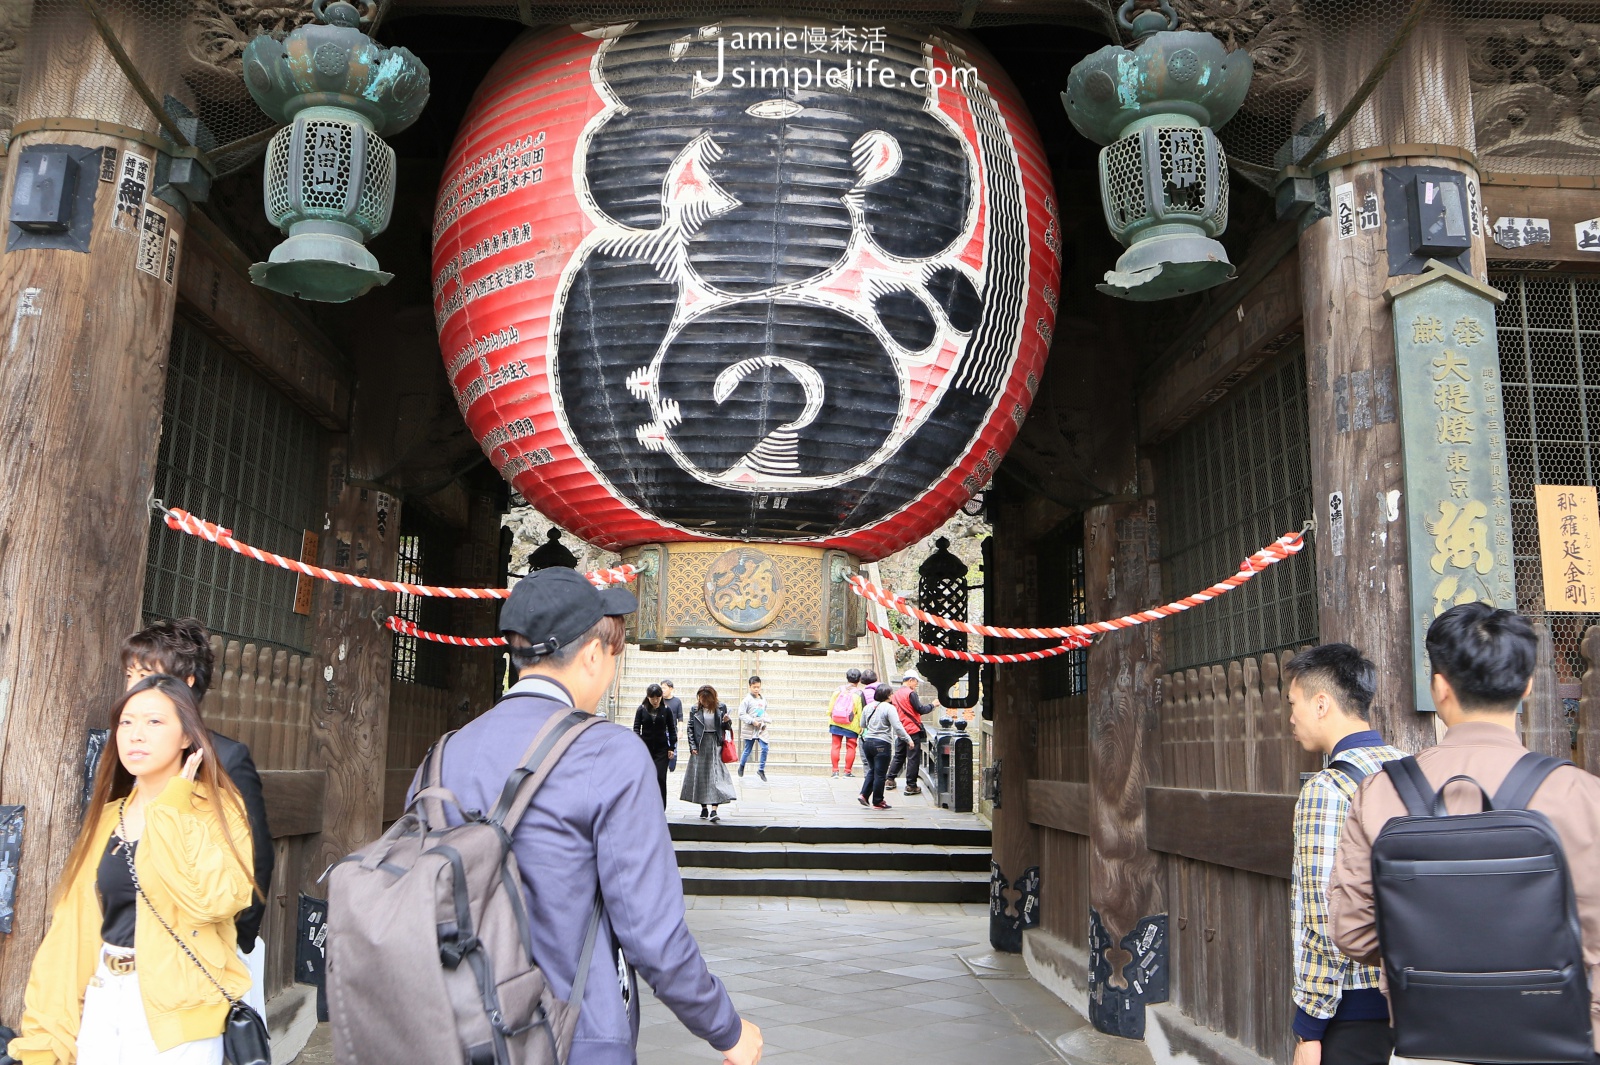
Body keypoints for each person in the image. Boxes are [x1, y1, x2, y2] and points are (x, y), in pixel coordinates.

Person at [414, 567, 762, 1065]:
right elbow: (653, 936)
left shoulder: (442, 755)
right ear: (594, 655)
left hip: (453, 1034)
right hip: (573, 1038)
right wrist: (725, 1027)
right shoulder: (610, 754)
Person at [1329, 604, 1600, 1061]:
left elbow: (1353, 933)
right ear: (1528, 685)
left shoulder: (1381, 792)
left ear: (1439, 686)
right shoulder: (1580, 793)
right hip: (1564, 1039)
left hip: (1430, 1040)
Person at [9, 675, 256, 1065]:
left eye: (154, 722)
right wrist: (45, 1038)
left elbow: (215, 900)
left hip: (180, 1009)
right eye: (126, 722)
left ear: (187, 737)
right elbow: (71, 934)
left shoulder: (217, 811)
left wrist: (174, 806)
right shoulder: (107, 818)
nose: (135, 734)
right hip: (104, 998)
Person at [118, 620, 274, 1021]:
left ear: (186, 683)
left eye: (148, 675)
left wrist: (235, 939)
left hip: (199, 952)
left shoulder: (225, 757)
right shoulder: (125, 749)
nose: (135, 687)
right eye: (131, 676)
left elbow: (255, 859)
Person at [1283, 644, 1404, 1065]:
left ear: (1321, 704)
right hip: (1413, 998)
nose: (1290, 717)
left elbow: (1324, 917)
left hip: (1352, 1009)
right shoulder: (1412, 769)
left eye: (1293, 703)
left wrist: (1309, 1029)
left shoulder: (1327, 789)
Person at [682, 686, 737, 822]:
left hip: (715, 743)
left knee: (715, 776)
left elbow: (727, 728)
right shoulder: (695, 709)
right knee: (701, 776)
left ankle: (714, 810)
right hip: (700, 744)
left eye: (707, 699)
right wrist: (692, 746)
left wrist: (727, 722)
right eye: (702, 699)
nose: (705, 702)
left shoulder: (721, 707)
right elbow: (690, 728)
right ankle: (704, 807)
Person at [858, 683, 913, 811]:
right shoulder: (889, 708)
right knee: (880, 774)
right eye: (891, 693)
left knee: (873, 770)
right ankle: (878, 801)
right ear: (887, 696)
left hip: (868, 742)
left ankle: (864, 795)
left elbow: (863, 724)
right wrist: (908, 740)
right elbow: (897, 727)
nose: (893, 695)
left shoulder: (868, 707)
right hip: (882, 743)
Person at [885, 672, 934, 795]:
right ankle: (911, 785)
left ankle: (890, 779)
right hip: (912, 729)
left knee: (899, 755)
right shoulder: (910, 693)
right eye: (916, 682)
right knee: (912, 758)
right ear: (911, 680)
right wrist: (933, 705)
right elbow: (920, 709)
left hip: (901, 729)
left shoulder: (895, 694)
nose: (916, 684)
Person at [633, 683, 678, 807]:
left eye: (657, 698)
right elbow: (636, 728)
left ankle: (660, 805)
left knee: (660, 776)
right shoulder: (642, 709)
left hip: (661, 748)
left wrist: (671, 747)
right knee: (645, 777)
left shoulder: (666, 710)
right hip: (645, 748)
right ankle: (645, 804)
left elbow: (672, 729)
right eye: (652, 698)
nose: (655, 701)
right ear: (648, 697)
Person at [827, 668, 864, 779]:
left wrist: (830, 715)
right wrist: (862, 725)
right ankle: (847, 771)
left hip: (836, 721)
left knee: (835, 746)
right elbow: (860, 710)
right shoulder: (858, 693)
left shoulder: (838, 690)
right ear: (859, 680)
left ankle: (835, 771)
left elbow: (830, 707)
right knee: (851, 747)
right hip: (851, 724)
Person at [737, 676, 770, 781]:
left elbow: (764, 710)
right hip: (751, 728)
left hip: (761, 727)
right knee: (748, 749)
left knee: (765, 748)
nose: (756, 689)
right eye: (754, 687)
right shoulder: (746, 700)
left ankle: (761, 769)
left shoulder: (763, 699)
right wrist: (752, 721)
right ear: (750, 687)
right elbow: (741, 714)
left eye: (758, 687)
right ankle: (742, 766)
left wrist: (764, 719)